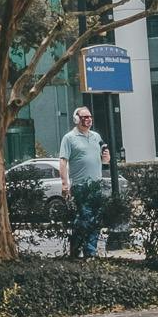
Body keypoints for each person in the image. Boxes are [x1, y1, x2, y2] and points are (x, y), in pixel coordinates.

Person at [58, 106, 111, 258]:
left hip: (96, 185)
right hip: (81, 186)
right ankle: (83, 251)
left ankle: (85, 250)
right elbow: (63, 161)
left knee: (93, 219)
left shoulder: (96, 136)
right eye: (84, 117)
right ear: (76, 119)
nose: (88, 120)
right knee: (85, 218)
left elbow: (103, 160)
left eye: (89, 117)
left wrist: (106, 157)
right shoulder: (69, 138)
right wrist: (64, 184)